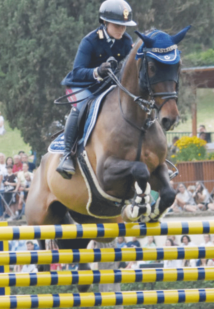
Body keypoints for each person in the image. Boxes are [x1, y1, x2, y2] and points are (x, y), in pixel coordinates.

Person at [57, 0, 137, 179]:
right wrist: (97, 71)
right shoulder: (90, 41)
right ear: (105, 22)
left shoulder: (126, 41)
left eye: (124, 26)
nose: (122, 30)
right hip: (81, 86)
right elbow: (77, 71)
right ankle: (67, 156)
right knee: (84, 105)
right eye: (117, 25)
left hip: (107, 88)